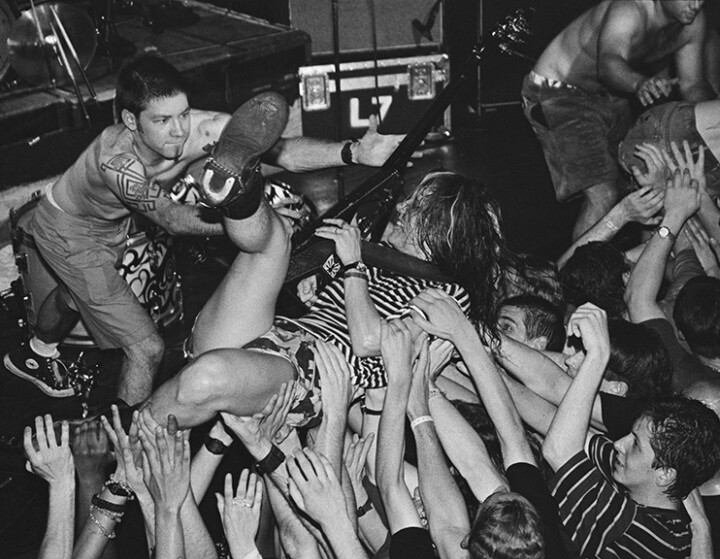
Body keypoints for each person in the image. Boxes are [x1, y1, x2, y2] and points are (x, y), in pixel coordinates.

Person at [3, 53, 403, 405]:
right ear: (130, 121)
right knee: (146, 348)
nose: (179, 130)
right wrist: (248, 219)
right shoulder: (116, 160)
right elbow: (173, 219)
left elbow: (278, 151)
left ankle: (37, 349)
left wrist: (352, 152)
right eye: (162, 120)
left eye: (182, 113)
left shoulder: (204, 129)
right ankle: (134, 459)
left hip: (111, 224)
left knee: (78, 296)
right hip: (68, 229)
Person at [142, 97, 506, 429]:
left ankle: (116, 488)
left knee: (201, 381)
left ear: (440, 233)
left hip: (315, 370)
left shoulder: (448, 294)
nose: (399, 207)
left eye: (415, 211)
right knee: (274, 240)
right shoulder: (378, 254)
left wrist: (352, 269)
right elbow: (311, 300)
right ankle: (238, 191)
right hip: (276, 329)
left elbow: (368, 342)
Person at [543, 302, 720, 559]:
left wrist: (597, 356)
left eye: (635, 443)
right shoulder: (678, 530)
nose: (619, 443)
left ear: (664, 473)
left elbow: (558, 449)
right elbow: (548, 419)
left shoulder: (641, 533)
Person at [522, 0, 714, 241]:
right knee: (603, 194)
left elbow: (693, 85)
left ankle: (638, 267)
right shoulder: (629, 9)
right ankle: (579, 274)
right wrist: (638, 83)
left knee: (642, 179)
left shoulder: (692, 22)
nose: (696, 4)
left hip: (612, 94)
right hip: (558, 92)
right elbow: (609, 63)